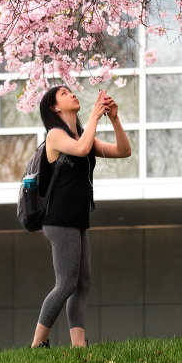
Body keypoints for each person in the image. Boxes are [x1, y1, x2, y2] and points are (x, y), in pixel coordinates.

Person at [30, 85, 131, 348]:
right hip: (58, 220)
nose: (72, 94)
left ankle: (78, 345)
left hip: (77, 220)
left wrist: (115, 118)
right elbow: (82, 150)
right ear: (55, 107)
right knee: (65, 284)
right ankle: (37, 344)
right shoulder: (55, 135)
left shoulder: (83, 135)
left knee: (82, 283)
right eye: (64, 94)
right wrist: (96, 116)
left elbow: (123, 151)